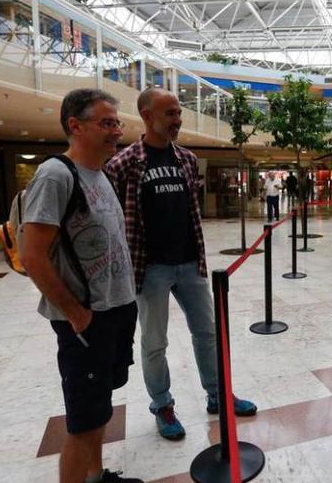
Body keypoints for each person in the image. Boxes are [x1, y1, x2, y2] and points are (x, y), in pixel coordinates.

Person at [104, 88, 257, 442]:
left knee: (207, 334)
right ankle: (162, 405)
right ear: (146, 115)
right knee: (155, 342)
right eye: (170, 113)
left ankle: (217, 394)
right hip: (150, 269)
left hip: (190, 264)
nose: (178, 119)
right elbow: (111, 221)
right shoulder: (123, 164)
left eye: (178, 112)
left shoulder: (186, 159)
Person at [20, 89, 141, 483]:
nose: (117, 131)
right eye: (107, 123)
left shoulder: (100, 173)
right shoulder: (56, 175)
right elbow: (33, 254)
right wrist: (77, 315)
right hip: (87, 320)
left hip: (115, 310)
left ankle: (95, 475)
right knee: (82, 421)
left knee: (99, 407)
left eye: (117, 123)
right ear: (75, 126)